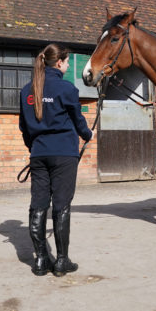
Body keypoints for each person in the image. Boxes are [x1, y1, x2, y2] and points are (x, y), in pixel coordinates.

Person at [19, 43, 94, 276]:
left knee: (38, 205)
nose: (69, 65)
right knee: (61, 206)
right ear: (59, 63)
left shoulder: (26, 90)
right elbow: (78, 120)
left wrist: (35, 147)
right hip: (64, 154)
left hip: (39, 154)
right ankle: (61, 261)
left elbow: (24, 127)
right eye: (68, 61)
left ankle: (41, 260)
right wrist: (88, 135)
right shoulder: (67, 89)